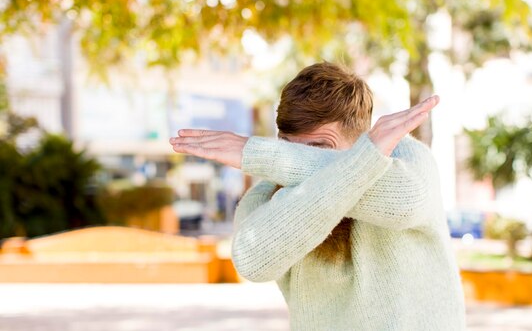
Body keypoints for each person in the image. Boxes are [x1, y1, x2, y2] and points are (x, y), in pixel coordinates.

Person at [170, 62, 466, 330]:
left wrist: (263, 155)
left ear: (363, 139)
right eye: (286, 146)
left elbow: (404, 202)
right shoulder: (269, 192)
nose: (292, 158)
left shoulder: (406, 157)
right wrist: (363, 157)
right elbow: (253, 262)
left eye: (317, 148)